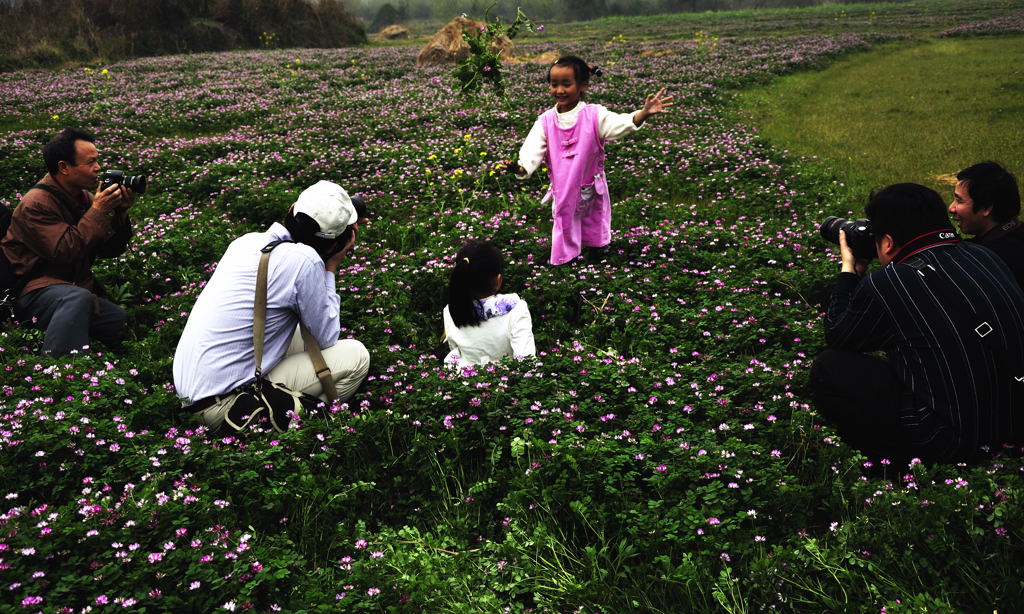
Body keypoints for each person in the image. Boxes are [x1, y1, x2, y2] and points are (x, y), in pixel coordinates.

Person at [811, 183, 1024, 463]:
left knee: (831, 366)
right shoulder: (985, 255)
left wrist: (851, 270)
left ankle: (890, 463)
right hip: (1016, 424)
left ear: (887, 242)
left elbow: (839, 335)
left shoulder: (888, 282)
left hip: (953, 440)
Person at [173, 180, 370, 431]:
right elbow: (327, 337)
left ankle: (288, 411)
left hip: (192, 393)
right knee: (356, 356)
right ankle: (306, 425)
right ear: (336, 241)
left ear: (293, 208)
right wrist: (330, 266)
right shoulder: (305, 261)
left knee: (298, 333)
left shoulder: (246, 242)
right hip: (227, 407)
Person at [516, 55, 673, 265]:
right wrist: (521, 167)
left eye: (566, 84)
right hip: (564, 189)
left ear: (583, 86)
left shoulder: (594, 115)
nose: (559, 90)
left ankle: (596, 256)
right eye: (554, 84)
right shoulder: (545, 121)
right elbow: (532, 148)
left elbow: (618, 125)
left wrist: (642, 114)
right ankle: (566, 263)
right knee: (564, 222)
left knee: (595, 219)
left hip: (591, 184)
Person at [0, 128, 134, 356]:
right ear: (64, 167)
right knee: (77, 299)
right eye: (90, 162)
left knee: (116, 320)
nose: (98, 168)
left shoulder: (83, 198)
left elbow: (109, 250)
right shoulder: (36, 204)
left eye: (97, 160)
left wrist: (120, 214)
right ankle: (58, 368)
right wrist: (98, 211)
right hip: (32, 292)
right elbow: (66, 251)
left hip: (69, 288)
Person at [442, 240, 535, 367]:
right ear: (498, 279)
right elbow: (526, 360)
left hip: (465, 380)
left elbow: (455, 348)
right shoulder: (516, 309)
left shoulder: (451, 310)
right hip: (507, 381)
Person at [949, 161, 1024, 288]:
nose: (951, 208)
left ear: (986, 208)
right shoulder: (1017, 232)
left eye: (959, 200)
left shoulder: (984, 261)